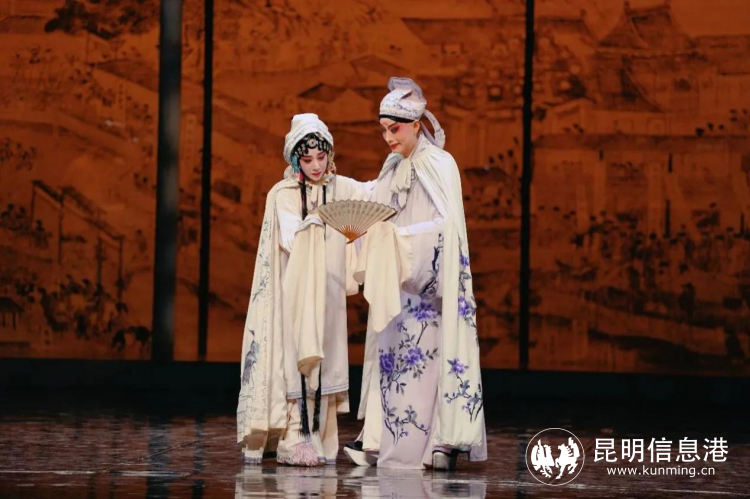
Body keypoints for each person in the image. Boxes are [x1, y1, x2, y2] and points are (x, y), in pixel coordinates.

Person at [346, 77, 487, 470]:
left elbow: (447, 230)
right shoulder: (394, 164)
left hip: (428, 289)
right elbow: (374, 202)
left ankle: (442, 442)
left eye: (394, 129)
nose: (388, 138)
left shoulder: (440, 164)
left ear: (415, 124)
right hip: (398, 286)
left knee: (430, 362)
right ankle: (380, 437)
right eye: (383, 130)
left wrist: (401, 241)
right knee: (395, 361)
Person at [237, 114, 371, 466]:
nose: (315, 165)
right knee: (298, 356)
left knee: (326, 356)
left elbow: (371, 194)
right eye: (307, 159)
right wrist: (312, 224)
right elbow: (288, 237)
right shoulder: (283, 194)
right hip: (296, 293)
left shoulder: (340, 188)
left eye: (321, 157)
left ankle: (322, 437)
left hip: (328, 291)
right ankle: (294, 436)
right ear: (296, 160)